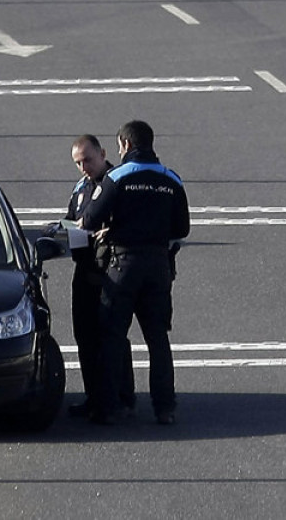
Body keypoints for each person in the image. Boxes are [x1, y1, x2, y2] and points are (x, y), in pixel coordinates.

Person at [81, 121, 190, 425]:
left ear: (126, 145)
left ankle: (113, 406)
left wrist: (112, 229)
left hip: (123, 264)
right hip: (158, 266)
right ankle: (165, 408)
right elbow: (182, 228)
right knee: (158, 339)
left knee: (113, 335)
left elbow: (90, 218)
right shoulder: (171, 179)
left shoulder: (117, 177)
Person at [63, 135, 135, 419]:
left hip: (111, 272)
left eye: (88, 160)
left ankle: (122, 398)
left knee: (112, 338)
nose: (84, 167)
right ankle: (95, 397)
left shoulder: (116, 185)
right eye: (78, 163)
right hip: (85, 270)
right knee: (85, 336)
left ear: (103, 153)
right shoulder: (81, 188)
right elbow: (72, 218)